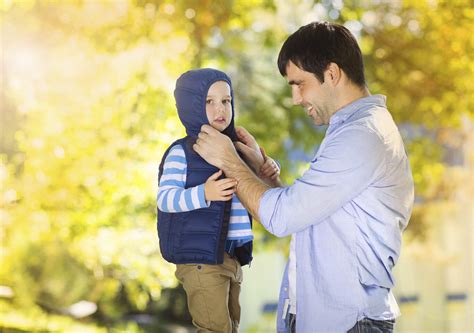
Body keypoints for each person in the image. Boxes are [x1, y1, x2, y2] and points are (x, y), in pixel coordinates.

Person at [193, 22, 415, 332]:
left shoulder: (361, 136)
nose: (296, 98)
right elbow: (309, 217)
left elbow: (281, 218)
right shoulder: (351, 131)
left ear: (332, 74)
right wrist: (264, 176)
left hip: (350, 324)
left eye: (300, 84)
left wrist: (228, 161)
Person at [156, 68, 280, 333]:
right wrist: (204, 193)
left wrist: (267, 167)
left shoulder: (235, 150)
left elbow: (256, 184)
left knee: (232, 325)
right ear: (192, 106)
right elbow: (165, 199)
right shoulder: (182, 153)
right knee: (214, 328)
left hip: (231, 257)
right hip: (201, 259)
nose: (220, 108)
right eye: (209, 101)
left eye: (226, 100)